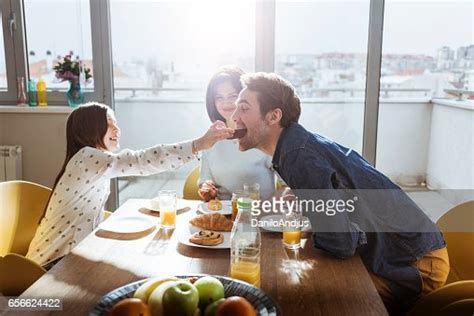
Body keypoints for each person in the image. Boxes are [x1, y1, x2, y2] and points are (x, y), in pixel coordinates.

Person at [231, 72, 449, 314]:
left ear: (273, 116)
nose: (233, 116)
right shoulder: (298, 146)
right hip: (410, 253)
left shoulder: (298, 156)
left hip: (414, 264)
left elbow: (340, 243)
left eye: (244, 108)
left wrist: (317, 216)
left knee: (304, 298)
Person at [26, 102, 233, 268]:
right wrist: (197, 144)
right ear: (89, 127)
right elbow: (140, 160)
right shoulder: (87, 158)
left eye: (116, 123)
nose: (117, 129)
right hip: (51, 265)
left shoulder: (89, 160)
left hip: (71, 255)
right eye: (109, 123)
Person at [198, 66, 275, 201]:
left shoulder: (264, 135)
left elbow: (288, 186)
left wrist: (269, 209)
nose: (226, 103)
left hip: (259, 216)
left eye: (233, 96)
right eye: (219, 98)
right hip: (224, 216)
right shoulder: (211, 139)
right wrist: (207, 190)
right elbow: (205, 181)